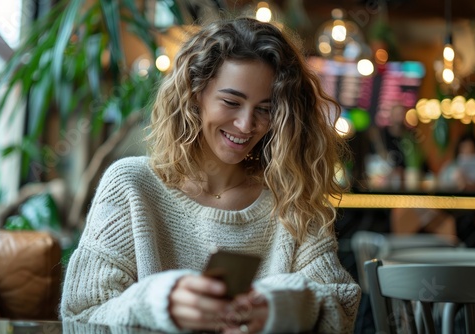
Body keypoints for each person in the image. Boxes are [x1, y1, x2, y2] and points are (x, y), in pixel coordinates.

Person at [60, 17, 361, 333]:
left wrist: (279, 309)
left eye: (265, 109)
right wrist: (161, 302)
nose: (246, 125)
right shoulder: (131, 185)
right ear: (194, 93)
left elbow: (341, 306)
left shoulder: (290, 198)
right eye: (231, 102)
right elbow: (81, 316)